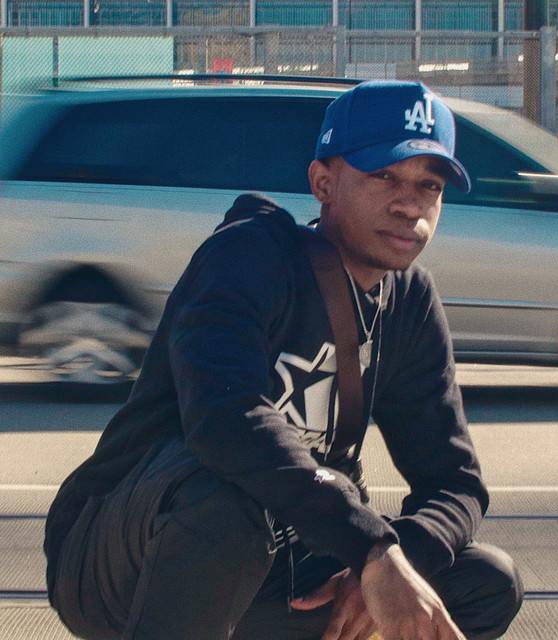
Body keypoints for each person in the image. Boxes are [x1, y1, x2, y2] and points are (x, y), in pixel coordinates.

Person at [44, 80, 523, 640]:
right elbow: (227, 422)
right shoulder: (250, 257)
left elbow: (456, 482)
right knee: (224, 500)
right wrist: (371, 547)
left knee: (488, 582)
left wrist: (394, 562)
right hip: (126, 556)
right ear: (323, 182)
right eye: (384, 175)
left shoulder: (410, 301)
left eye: (429, 185)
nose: (409, 203)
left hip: (278, 564)